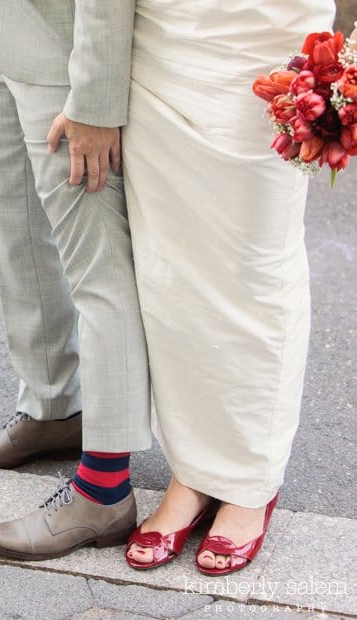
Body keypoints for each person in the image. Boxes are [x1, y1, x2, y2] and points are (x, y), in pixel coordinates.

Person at [122, 0, 336, 575]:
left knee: (255, 270)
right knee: (171, 275)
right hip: (163, 46)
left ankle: (249, 479)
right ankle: (192, 471)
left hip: (266, 43)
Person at [0, 0, 152, 560]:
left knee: (98, 268)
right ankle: (53, 406)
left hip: (63, 51)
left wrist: (94, 96)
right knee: (16, 237)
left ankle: (104, 489)